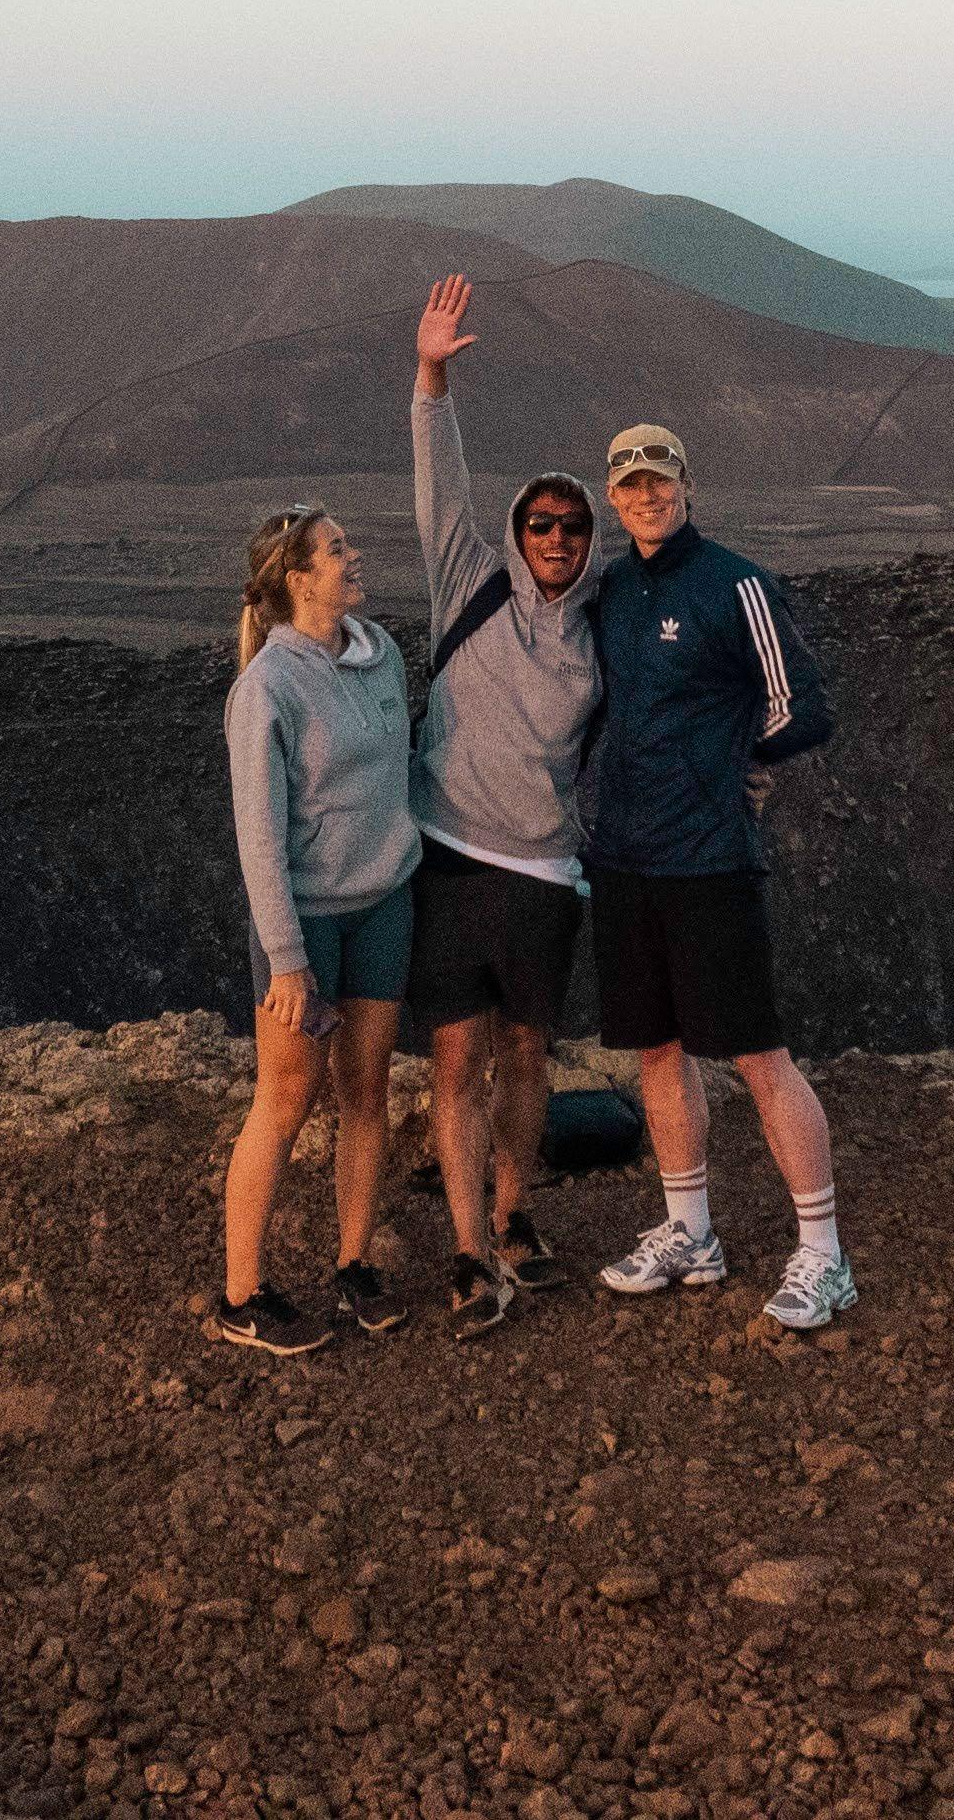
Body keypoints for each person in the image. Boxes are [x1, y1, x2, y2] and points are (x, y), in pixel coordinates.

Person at [585, 421, 854, 1330]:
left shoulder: (736, 584)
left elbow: (803, 707)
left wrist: (736, 764)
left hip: (707, 857)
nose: (646, 496)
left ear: (687, 486)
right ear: (613, 498)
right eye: (629, 486)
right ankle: (690, 1230)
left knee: (756, 1054)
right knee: (655, 1047)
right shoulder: (615, 588)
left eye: (659, 481)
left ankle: (824, 1253)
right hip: (624, 855)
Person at [404, 273, 604, 1331]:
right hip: (448, 857)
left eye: (572, 524)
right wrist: (432, 373)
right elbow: (441, 477)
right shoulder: (467, 581)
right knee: (456, 1055)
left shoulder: (603, 627)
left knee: (528, 1052)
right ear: (517, 529)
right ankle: (468, 1249)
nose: (556, 538)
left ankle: (517, 1212)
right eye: (539, 521)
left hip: (543, 872)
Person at [212, 503, 421, 1356]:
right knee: (287, 1099)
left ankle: (354, 1264)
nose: (354, 556)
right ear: (298, 578)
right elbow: (258, 835)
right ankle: (239, 1295)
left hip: (384, 905)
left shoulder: (381, 656)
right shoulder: (267, 686)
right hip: (304, 926)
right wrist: (289, 963)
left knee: (365, 1090)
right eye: (338, 550)